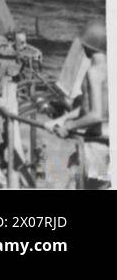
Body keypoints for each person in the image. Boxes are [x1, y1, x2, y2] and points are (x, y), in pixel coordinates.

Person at [49, 19, 108, 189]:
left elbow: (96, 114)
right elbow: (92, 108)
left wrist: (68, 126)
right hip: (106, 145)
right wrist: (62, 119)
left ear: (89, 45)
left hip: (94, 147)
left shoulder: (94, 72)